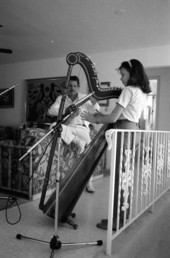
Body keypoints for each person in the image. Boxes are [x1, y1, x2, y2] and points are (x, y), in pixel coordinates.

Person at [81, 59, 152, 229]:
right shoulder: (141, 92)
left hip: (124, 133)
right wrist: (100, 114)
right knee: (125, 178)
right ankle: (121, 216)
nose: (121, 78)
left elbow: (113, 118)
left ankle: (117, 220)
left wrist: (95, 118)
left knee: (119, 179)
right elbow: (123, 115)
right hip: (133, 131)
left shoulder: (128, 90)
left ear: (132, 74)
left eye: (123, 74)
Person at [48, 75, 100, 193]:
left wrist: (94, 102)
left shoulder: (84, 98)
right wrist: (66, 109)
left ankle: (89, 183)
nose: (72, 88)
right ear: (67, 87)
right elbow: (51, 111)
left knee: (90, 152)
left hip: (82, 129)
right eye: (70, 86)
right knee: (53, 127)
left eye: (75, 86)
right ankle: (77, 141)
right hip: (68, 127)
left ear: (78, 87)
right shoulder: (62, 98)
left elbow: (96, 110)